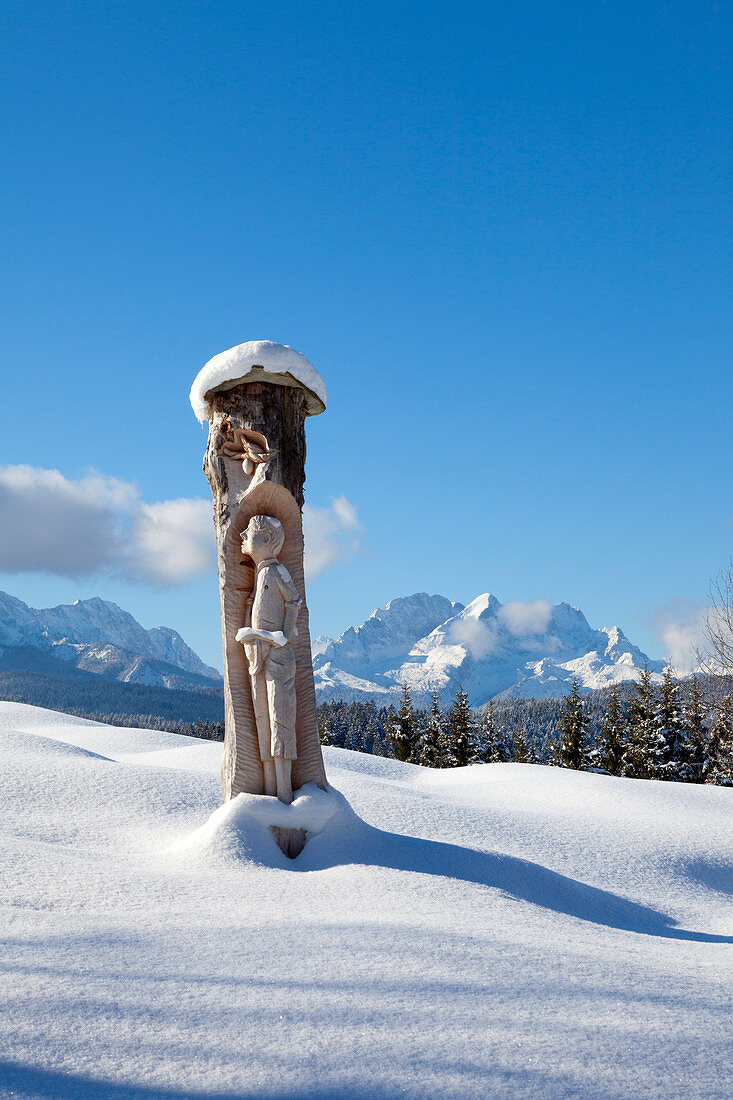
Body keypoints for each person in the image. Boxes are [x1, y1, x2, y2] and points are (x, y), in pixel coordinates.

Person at [236, 515, 301, 803]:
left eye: (248, 532)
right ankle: (272, 786)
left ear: (267, 540)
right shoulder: (261, 573)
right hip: (259, 654)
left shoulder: (276, 571)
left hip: (276, 654)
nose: (241, 535)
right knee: (264, 717)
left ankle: (284, 790)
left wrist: (284, 636)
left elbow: (294, 601)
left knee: (280, 717)